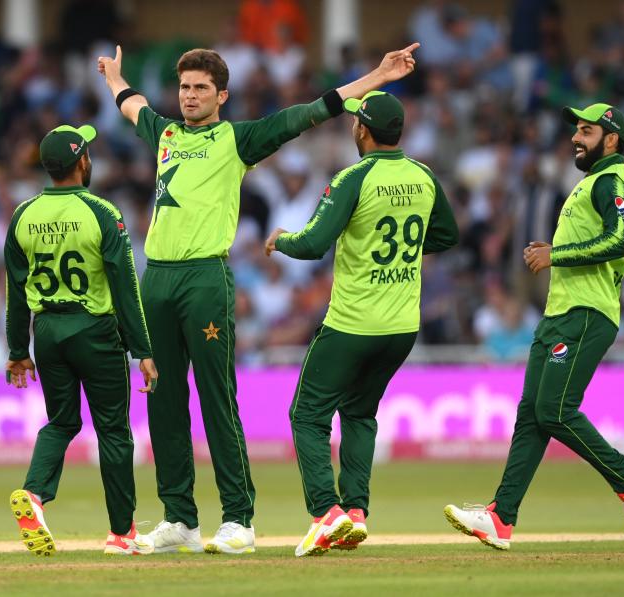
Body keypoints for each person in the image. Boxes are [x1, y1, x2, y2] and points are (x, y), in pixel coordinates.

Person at [97, 42, 419, 554]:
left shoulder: (237, 139)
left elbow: (310, 113)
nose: (190, 96)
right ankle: (179, 517)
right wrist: (115, 77)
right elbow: (130, 102)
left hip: (205, 280)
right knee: (162, 399)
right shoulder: (164, 133)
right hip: (154, 279)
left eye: (201, 88)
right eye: (184, 87)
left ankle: (238, 519)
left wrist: (376, 76)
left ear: (221, 94)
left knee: (216, 396)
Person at [444, 104, 624, 550]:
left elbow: (621, 241)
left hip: (587, 313)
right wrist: (556, 248)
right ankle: (501, 518)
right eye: (576, 130)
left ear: (612, 140)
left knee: (555, 411)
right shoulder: (590, 183)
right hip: (560, 313)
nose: (575, 138)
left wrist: (555, 255)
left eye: (587, 131)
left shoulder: (611, 182)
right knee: (532, 415)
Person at [265, 90, 459, 556]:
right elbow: (447, 234)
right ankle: (355, 513)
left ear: (363, 130)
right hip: (400, 328)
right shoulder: (423, 176)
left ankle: (326, 514)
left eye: (356, 122)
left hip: (353, 323)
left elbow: (313, 245)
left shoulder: (354, 177)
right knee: (359, 413)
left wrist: (282, 240)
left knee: (306, 415)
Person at [3, 124, 158, 556]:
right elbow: (125, 285)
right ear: (83, 162)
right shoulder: (103, 212)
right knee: (112, 431)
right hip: (95, 330)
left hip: (47, 332)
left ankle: (34, 494)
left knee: (62, 423)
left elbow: (15, 292)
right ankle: (122, 534)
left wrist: (18, 351)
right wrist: (143, 350)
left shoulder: (22, 215)